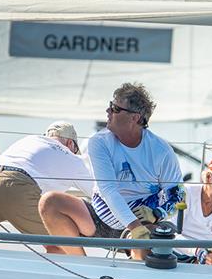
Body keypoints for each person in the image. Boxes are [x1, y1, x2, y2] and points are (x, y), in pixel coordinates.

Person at [39, 83, 184, 259]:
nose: (108, 111)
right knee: (50, 202)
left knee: (144, 241)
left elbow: (179, 197)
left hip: (141, 224)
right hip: (100, 221)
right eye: (110, 105)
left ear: (135, 118)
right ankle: (82, 268)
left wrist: (156, 213)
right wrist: (134, 226)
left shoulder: (161, 150)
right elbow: (108, 190)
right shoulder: (98, 141)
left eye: (115, 108)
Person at [0, 121, 91, 236]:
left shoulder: (30, 140)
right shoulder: (71, 157)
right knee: (61, 244)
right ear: (70, 143)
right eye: (75, 150)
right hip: (16, 186)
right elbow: (99, 192)